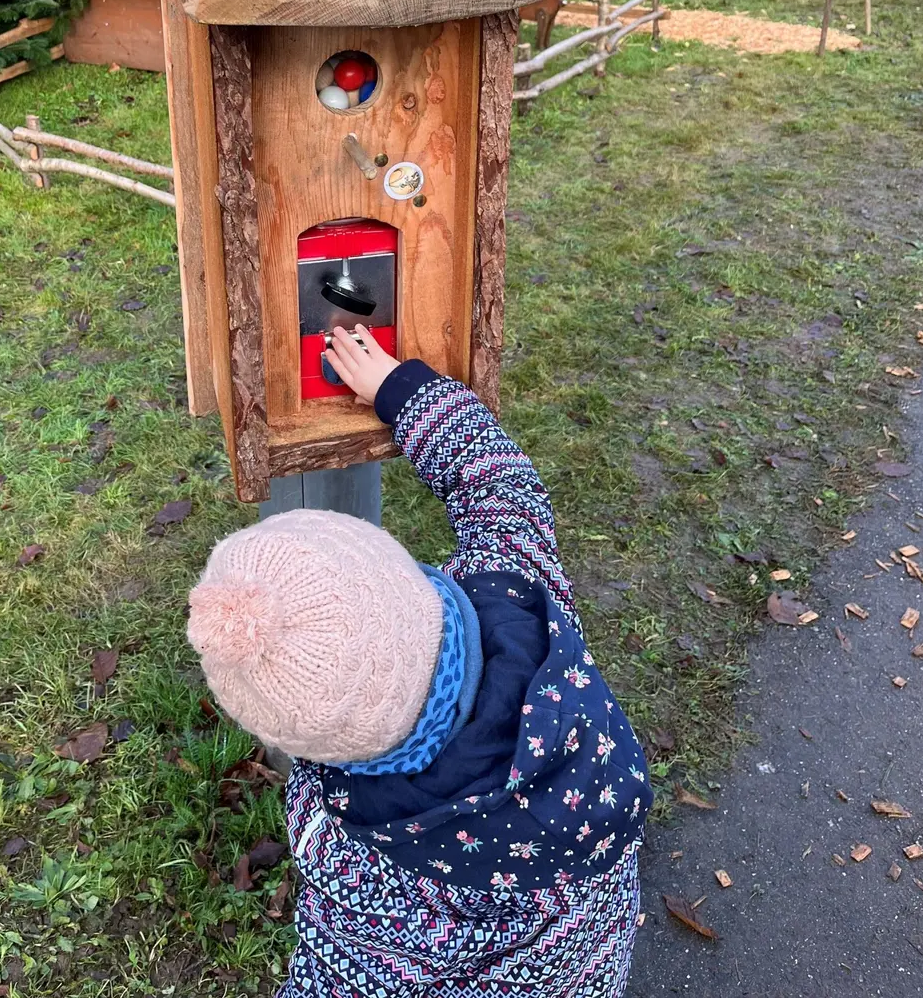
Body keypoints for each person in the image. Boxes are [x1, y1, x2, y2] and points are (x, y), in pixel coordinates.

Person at [188, 327, 648, 998]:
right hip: (587, 962)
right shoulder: (524, 599)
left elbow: (333, 978)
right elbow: (498, 481)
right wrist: (403, 389)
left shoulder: (348, 850)